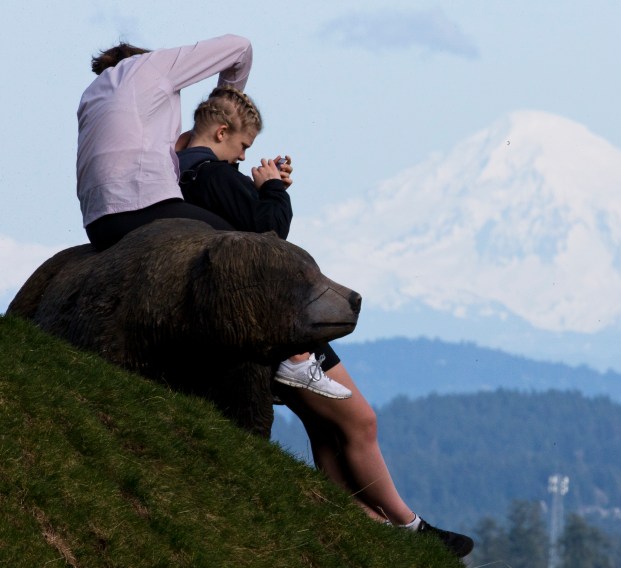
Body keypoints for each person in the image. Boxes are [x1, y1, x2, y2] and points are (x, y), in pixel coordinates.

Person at [176, 86, 474, 558]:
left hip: (238, 320)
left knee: (326, 429)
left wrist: (254, 185)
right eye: (243, 146)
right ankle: (409, 524)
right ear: (222, 131)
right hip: (273, 321)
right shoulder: (214, 175)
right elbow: (270, 233)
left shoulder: (185, 170)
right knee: (360, 421)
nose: (244, 155)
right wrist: (272, 188)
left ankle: (367, 522)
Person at [75, 36, 338, 400]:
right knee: (249, 249)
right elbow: (241, 48)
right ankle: (292, 356)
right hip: (143, 204)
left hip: (98, 221)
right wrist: (224, 104)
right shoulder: (151, 66)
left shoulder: (94, 95)